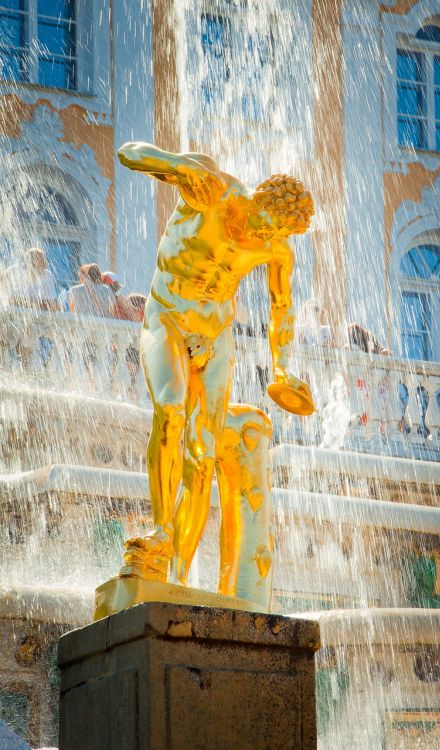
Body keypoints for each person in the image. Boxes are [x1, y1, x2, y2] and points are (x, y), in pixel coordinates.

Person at [118, 141, 315, 593]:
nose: (266, 239)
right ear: (260, 199)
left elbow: (282, 309)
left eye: (278, 233)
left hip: (216, 337)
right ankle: (161, 527)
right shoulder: (213, 189)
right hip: (167, 317)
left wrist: (282, 368)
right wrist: (179, 167)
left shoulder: (277, 250)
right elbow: (129, 152)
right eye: (269, 224)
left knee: (201, 454)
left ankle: (177, 570)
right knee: (169, 413)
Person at [6, 247, 58, 311]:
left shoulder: (47, 275)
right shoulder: (14, 272)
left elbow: (53, 305)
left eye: (45, 261)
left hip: (39, 317)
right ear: (32, 264)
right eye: (42, 262)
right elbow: (12, 301)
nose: (46, 265)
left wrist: (27, 304)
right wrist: (40, 304)